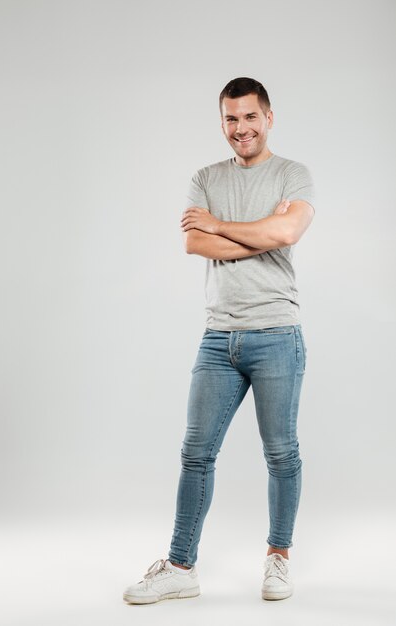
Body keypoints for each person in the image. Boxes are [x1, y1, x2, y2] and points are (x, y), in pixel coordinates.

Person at [123, 77, 315, 605]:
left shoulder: (292, 175)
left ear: (268, 117)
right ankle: (181, 566)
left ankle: (279, 558)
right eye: (231, 119)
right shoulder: (205, 177)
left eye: (250, 117)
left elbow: (286, 234)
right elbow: (193, 241)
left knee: (281, 453)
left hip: (277, 332)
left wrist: (222, 227)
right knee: (195, 453)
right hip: (218, 339)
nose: (240, 128)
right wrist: (249, 229)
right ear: (222, 122)